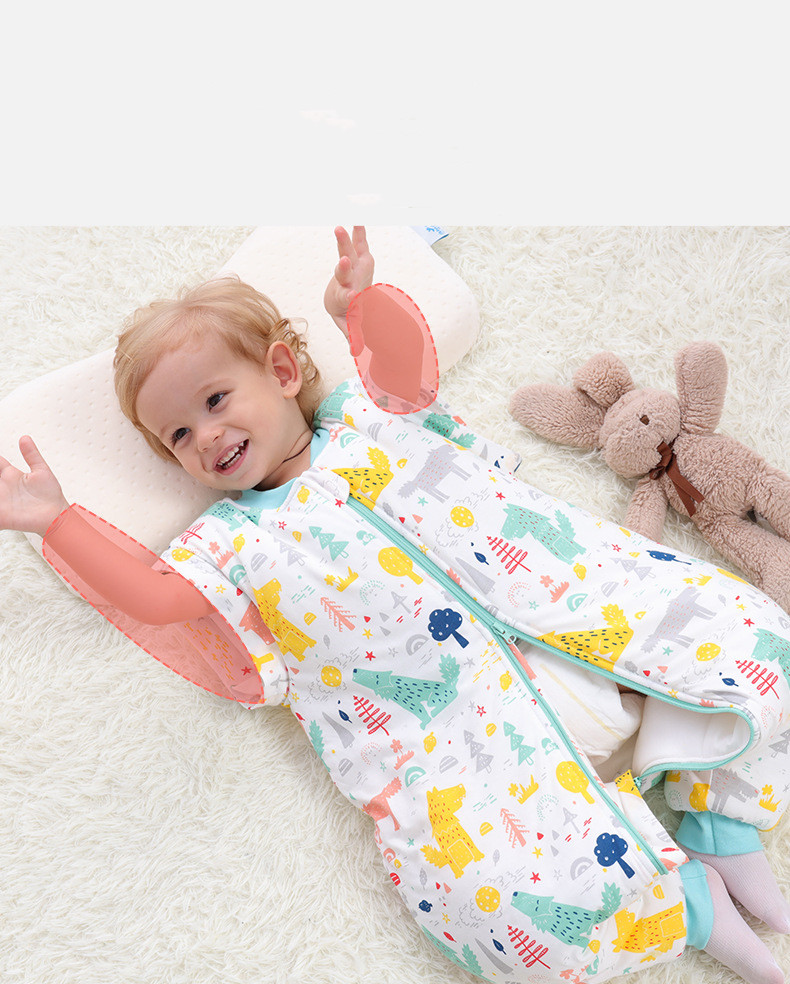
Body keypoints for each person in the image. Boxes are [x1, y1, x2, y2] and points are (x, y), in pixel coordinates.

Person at [1, 227, 788, 984]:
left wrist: (363, 308)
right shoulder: (228, 545)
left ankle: (719, 817)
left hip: (575, 617)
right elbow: (154, 598)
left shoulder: (371, 416)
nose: (206, 435)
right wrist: (57, 523)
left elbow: (409, 371)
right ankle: (689, 908)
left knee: (755, 638)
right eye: (178, 434)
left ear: (283, 370)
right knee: (489, 906)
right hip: (470, 739)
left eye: (214, 399)